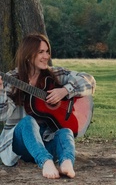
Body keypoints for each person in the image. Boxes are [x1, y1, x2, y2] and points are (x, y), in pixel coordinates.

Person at [0, 34, 96, 179]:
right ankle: (46, 162)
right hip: (21, 146)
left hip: (47, 142)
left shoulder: (54, 74)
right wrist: (1, 91)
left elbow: (89, 80)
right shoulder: (12, 79)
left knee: (66, 132)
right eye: (41, 52)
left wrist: (65, 90)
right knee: (27, 122)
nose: (46, 56)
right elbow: (3, 115)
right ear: (27, 54)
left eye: (47, 51)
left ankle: (67, 162)